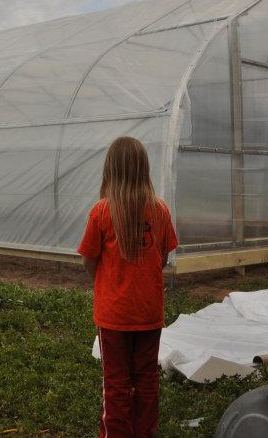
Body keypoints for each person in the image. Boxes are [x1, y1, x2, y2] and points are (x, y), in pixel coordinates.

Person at [77, 136, 178, 438]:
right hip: (149, 312)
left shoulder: (101, 212)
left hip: (114, 316)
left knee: (116, 381)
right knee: (147, 378)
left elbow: (89, 260)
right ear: (143, 169)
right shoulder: (160, 210)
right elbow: (163, 255)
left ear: (111, 170)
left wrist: (107, 283)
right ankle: (144, 432)